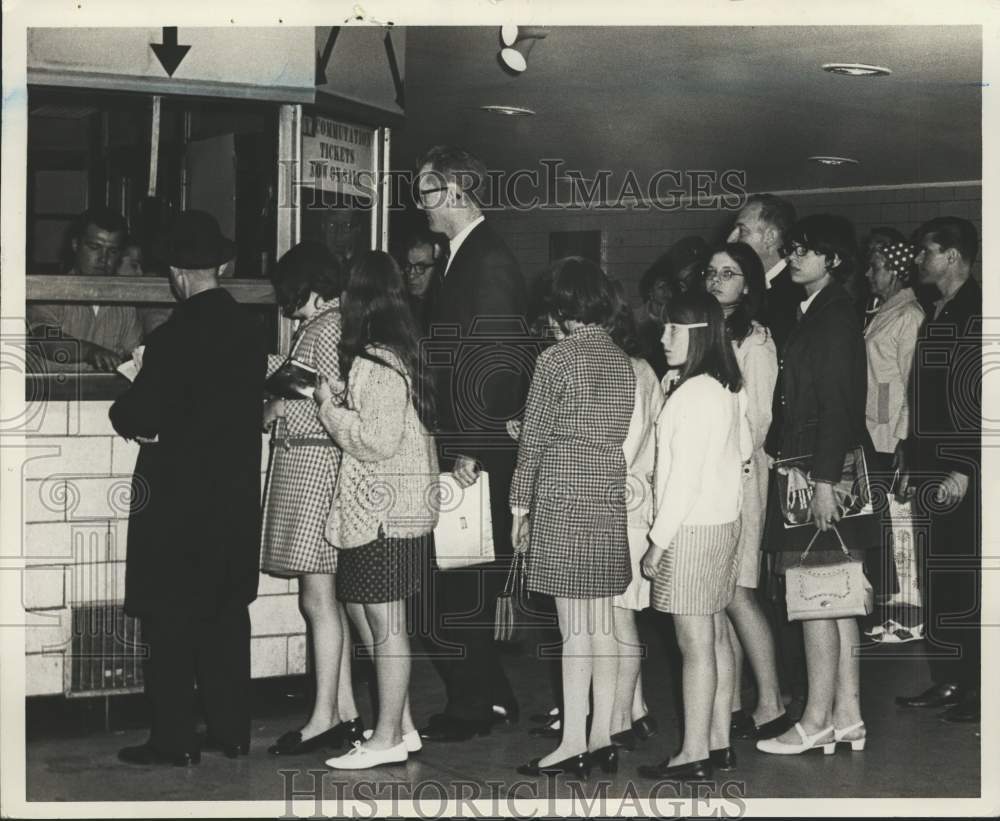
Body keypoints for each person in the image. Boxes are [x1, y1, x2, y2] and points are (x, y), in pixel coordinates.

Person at [109, 210, 266, 766]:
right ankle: (232, 731)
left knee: (171, 618)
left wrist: (123, 405)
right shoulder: (252, 333)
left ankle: (174, 740)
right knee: (226, 613)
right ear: (222, 264)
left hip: (177, 504)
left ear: (177, 272)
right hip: (235, 499)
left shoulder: (173, 337)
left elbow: (138, 413)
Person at [416, 145, 528, 742]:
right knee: (458, 577)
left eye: (427, 190)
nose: (420, 203)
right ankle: (493, 695)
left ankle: (472, 706)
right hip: (464, 443)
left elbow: (497, 362)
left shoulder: (486, 262)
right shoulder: (463, 258)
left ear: (457, 192)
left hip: (474, 452)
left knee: (461, 584)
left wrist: (471, 446)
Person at [509, 257, 635, 778]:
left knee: (572, 631)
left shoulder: (555, 360)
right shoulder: (623, 361)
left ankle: (572, 743)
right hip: (606, 490)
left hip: (561, 492)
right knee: (601, 625)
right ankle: (603, 735)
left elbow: (535, 439)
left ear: (562, 307)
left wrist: (519, 506)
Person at [757, 214, 876, 757]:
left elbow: (838, 407)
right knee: (838, 598)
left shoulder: (831, 317)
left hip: (820, 471)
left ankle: (815, 721)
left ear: (833, 260)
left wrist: (826, 480)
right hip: (820, 467)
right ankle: (847, 715)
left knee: (814, 599)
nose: (796, 256)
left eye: (807, 250)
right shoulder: (821, 311)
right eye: (795, 247)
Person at [319, 251, 440, 769]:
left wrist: (331, 411)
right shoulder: (403, 352)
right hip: (400, 509)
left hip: (384, 513)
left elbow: (375, 441)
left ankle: (387, 736)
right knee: (373, 616)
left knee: (386, 624)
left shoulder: (375, 359)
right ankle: (402, 726)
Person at [636, 291, 750, 782]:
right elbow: (743, 449)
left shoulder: (692, 394)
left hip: (691, 529)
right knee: (716, 633)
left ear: (699, 334)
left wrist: (657, 543)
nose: (663, 338)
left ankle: (694, 752)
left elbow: (682, 481)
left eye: (673, 330)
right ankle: (719, 741)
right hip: (724, 523)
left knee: (695, 643)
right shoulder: (725, 385)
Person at [260, 242, 366, 758]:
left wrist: (281, 404)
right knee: (331, 602)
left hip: (313, 466)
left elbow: (336, 399)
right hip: (318, 465)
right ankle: (342, 710)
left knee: (317, 599)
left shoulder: (323, 328)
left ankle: (324, 716)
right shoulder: (331, 325)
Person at [895, 217, 981, 723]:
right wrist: (910, 453)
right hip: (931, 466)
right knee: (937, 578)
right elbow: (925, 394)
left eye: (926, 252)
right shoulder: (937, 308)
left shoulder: (978, 310)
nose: (919, 260)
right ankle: (949, 679)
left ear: (951, 256)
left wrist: (964, 469)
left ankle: (977, 688)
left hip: (960, 471)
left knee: (963, 581)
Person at [702, 243, 787, 741]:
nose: (717, 281)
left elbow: (758, 421)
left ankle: (771, 701)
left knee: (737, 592)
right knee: (717, 592)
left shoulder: (755, 342)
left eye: (728, 273)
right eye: (711, 273)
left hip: (741, 476)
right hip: (711, 479)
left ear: (748, 284)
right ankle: (731, 701)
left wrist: (718, 459)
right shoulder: (708, 334)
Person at [604, 279, 663, 750]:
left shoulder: (617, 371)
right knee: (622, 615)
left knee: (615, 618)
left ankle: (618, 719)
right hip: (638, 502)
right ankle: (636, 709)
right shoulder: (643, 368)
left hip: (618, 505)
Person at [861, 241, 925, 639]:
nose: (869, 274)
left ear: (896, 271)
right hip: (873, 431)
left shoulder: (910, 315)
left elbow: (912, 383)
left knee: (897, 526)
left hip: (890, 435)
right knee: (881, 526)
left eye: (877, 267)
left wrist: (906, 441)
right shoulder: (883, 310)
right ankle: (887, 612)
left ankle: (905, 618)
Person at [28, 207, 142, 371]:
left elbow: (134, 353)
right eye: (94, 247)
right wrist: (89, 351)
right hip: (51, 393)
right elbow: (42, 337)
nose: (104, 258)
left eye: (112, 251)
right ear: (75, 245)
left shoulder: (123, 303)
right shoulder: (51, 291)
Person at [727, 194, 800, 354]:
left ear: (770, 237)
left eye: (742, 231)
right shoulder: (750, 288)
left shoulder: (796, 295)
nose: (731, 239)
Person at [402, 229, 445, 331]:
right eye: (408, 266)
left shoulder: (446, 308)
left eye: (420, 267)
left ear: (438, 269)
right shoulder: (401, 308)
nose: (411, 275)